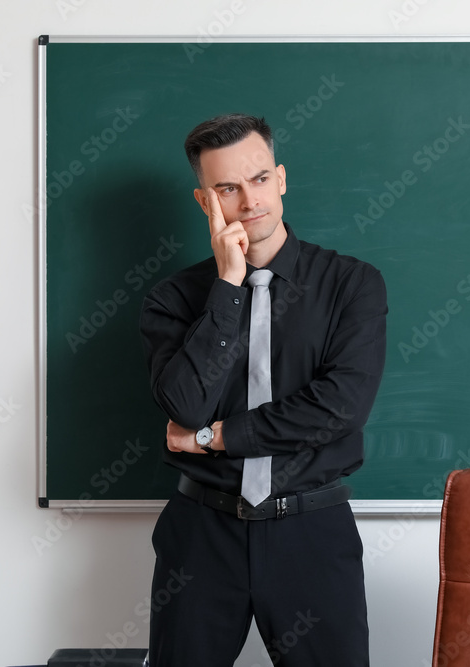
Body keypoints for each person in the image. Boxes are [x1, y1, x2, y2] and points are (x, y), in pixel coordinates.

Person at [139, 113, 387, 667]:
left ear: (280, 179)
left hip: (312, 533)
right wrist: (228, 287)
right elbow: (184, 403)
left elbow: (340, 408)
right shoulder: (173, 300)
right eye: (227, 187)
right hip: (202, 535)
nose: (248, 200)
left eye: (257, 180)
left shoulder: (351, 285)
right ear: (206, 202)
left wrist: (213, 437)